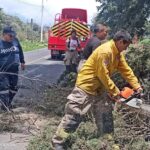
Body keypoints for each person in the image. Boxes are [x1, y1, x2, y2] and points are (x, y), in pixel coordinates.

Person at [52, 30, 143, 150]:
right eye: (126, 46)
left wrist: (137, 86)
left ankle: (108, 141)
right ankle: (58, 142)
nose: (126, 49)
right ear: (121, 42)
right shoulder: (105, 51)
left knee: (105, 115)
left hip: (100, 89)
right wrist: (116, 92)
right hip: (86, 87)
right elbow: (103, 75)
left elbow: (126, 70)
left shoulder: (117, 54)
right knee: (74, 116)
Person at [0, 26, 25, 110]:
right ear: (4, 35)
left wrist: (22, 61)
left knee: (13, 88)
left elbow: (20, 51)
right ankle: (4, 107)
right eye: (10, 35)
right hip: (3, 71)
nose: (12, 37)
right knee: (4, 89)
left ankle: (8, 103)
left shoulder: (15, 41)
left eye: (13, 35)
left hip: (14, 70)